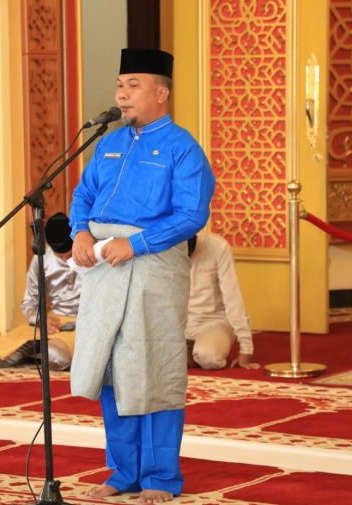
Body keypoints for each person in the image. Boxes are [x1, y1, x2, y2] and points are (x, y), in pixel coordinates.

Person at [69, 48, 215, 504]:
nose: (122, 94)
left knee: (152, 369)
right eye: (120, 85)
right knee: (112, 370)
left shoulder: (182, 148)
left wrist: (136, 244)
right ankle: (123, 472)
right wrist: (79, 231)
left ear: (162, 93)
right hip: (104, 268)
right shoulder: (107, 143)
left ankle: (159, 478)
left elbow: (191, 214)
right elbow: (83, 195)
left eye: (133, 85)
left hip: (152, 269)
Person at [0, 212, 80, 371]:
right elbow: (29, 302)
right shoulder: (42, 257)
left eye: (69, 255)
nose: (65, 260)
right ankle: (39, 345)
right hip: (55, 321)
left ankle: (43, 349)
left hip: (84, 323)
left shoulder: (91, 252)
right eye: (60, 256)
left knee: (55, 355)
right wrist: (41, 320)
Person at [186, 232, 260, 370]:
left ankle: (193, 352)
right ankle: (187, 352)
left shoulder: (217, 246)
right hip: (177, 324)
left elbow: (232, 296)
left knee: (209, 358)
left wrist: (246, 348)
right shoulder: (160, 250)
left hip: (214, 321)